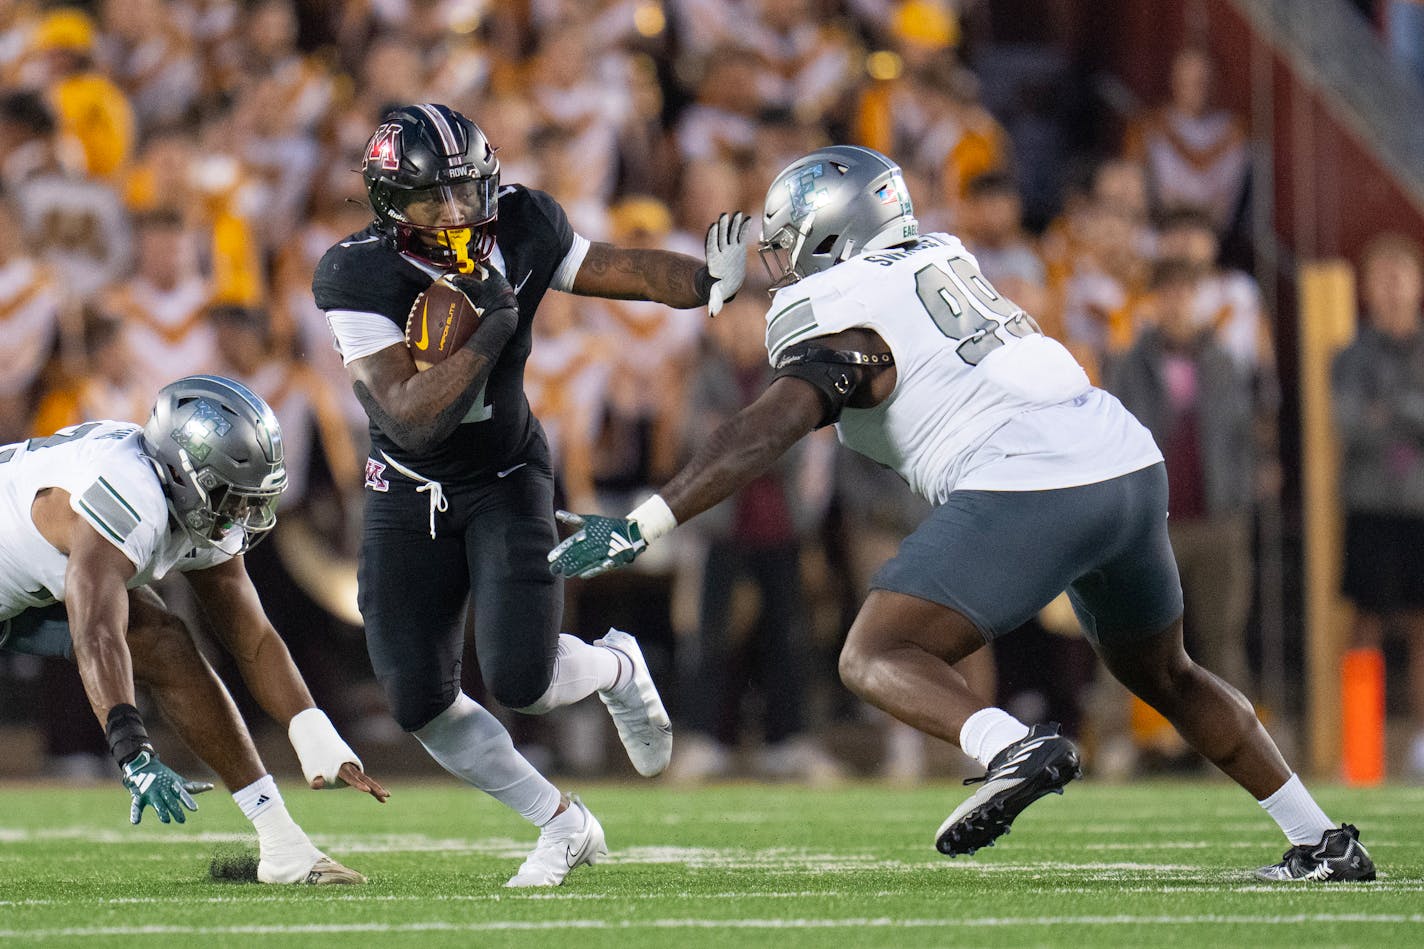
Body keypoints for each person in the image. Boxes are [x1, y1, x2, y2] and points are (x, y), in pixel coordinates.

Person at [549, 144, 1376, 882]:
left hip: (1032, 478)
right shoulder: (940, 255)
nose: (780, 258)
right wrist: (727, 296)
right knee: (1167, 671)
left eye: (790, 239)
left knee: (873, 653)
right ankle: (1321, 839)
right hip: (1125, 460)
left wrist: (645, 520)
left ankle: (1007, 744)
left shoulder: (836, 312)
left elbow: (768, 425)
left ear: (830, 235)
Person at [311, 103, 749, 887]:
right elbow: (410, 420)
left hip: (509, 476)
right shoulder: (356, 273)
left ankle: (617, 666)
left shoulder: (523, 223)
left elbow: (620, 268)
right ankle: (562, 821)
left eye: (463, 191)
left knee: (525, 680)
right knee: (417, 700)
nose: (451, 212)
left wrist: (707, 280)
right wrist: (490, 326)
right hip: (408, 487)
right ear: (387, 204)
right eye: (426, 198)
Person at [0, 374, 386, 883]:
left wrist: (310, 726)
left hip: (24, 585)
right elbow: (96, 631)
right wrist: (132, 751)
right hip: (27, 584)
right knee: (135, 628)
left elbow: (251, 635)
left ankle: (284, 846)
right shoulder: (128, 490)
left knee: (167, 643)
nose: (241, 515)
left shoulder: (189, 498)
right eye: (232, 496)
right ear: (184, 473)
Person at [1332, 233, 1424, 778]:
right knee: (1364, 623)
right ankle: (1360, 745)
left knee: (1421, 626)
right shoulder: (1350, 355)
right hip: (1369, 505)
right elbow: (1349, 423)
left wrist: (1391, 410)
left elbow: (1379, 418)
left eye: (1400, 277)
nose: (1390, 289)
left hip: (1419, 506)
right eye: (1381, 279)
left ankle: (1420, 744)